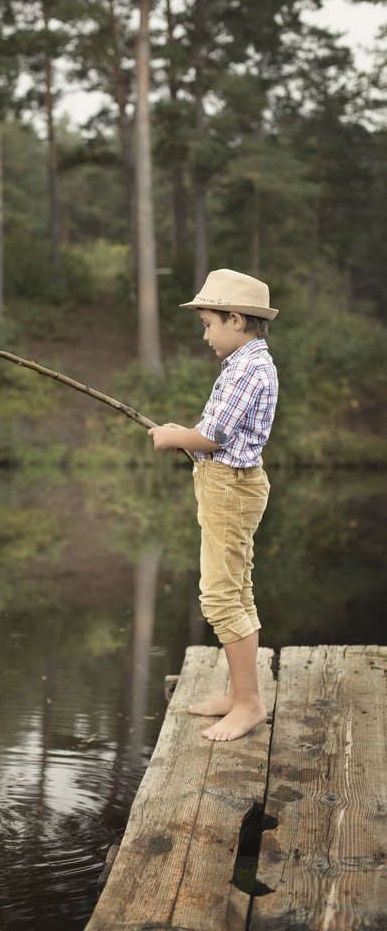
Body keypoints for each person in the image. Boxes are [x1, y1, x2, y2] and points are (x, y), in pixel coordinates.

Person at [148, 269, 279, 742]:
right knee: (238, 589)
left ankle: (248, 704)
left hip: (230, 487)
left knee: (220, 596)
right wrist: (186, 437)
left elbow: (212, 436)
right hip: (229, 482)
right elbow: (220, 435)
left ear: (237, 320)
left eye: (208, 323)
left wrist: (172, 437)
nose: (205, 334)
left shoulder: (249, 368)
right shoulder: (246, 364)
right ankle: (238, 692)